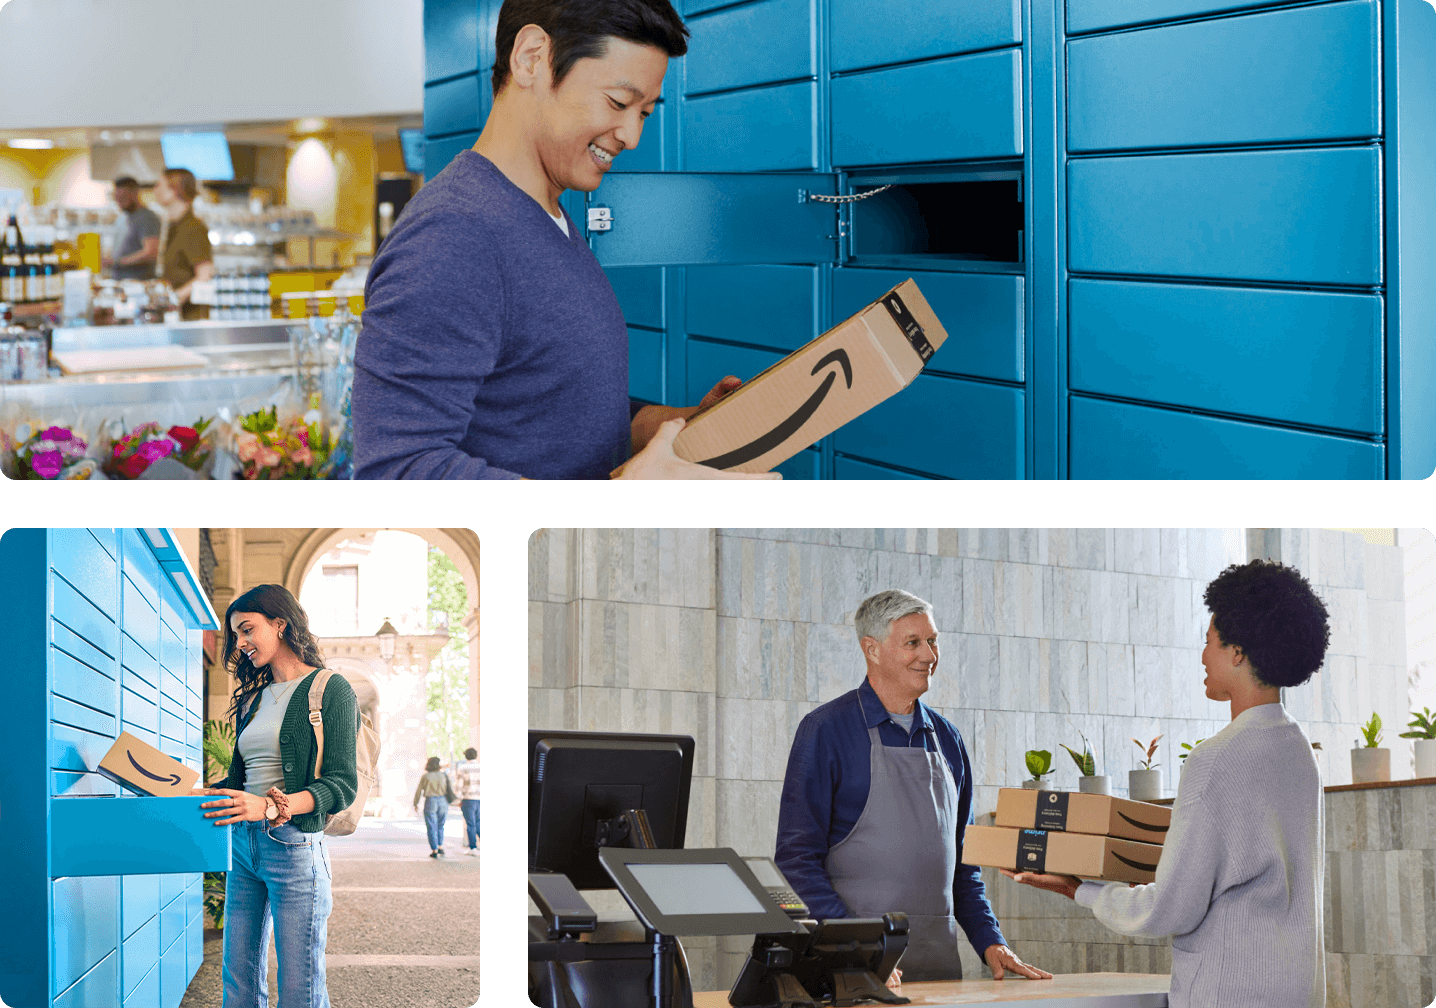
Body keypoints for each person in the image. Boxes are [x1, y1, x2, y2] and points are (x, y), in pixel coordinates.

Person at [352, 0, 781, 480]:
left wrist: (676, 428)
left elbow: (552, 417)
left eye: (645, 112)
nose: (632, 135)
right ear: (533, 57)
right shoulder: (454, 234)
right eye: (619, 103)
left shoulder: (547, 217)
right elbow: (395, 467)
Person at [1002, 559, 1330, 1008]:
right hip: (1298, 991)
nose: (1202, 655)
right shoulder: (1300, 752)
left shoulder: (1217, 758)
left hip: (1228, 992)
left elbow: (1171, 907)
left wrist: (1077, 888)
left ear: (1238, 651)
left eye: (1209, 641)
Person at [776, 589, 1052, 987]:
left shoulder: (948, 739)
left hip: (936, 968)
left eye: (932, 641)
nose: (929, 655)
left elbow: (963, 864)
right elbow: (796, 858)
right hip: (852, 973)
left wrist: (991, 941)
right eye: (913, 643)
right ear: (871, 649)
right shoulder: (825, 731)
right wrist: (857, 951)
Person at [192, 583, 359, 1008]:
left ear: (280, 624)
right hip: (243, 845)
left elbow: (342, 784)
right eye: (236, 636)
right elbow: (238, 778)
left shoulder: (329, 689)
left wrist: (270, 805)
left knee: (300, 979)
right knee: (238, 974)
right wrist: (204, 794)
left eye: (248, 630)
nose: (241, 644)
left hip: (294, 846)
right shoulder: (252, 699)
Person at [152, 166, 213, 320]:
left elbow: (205, 275)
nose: (155, 190)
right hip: (177, 316)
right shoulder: (174, 226)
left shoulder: (193, 228)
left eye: (159, 185)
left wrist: (175, 297)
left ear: (174, 190)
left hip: (190, 318)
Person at [104, 177, 161, 280]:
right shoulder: (122, 217)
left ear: (135, 194)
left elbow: (150, 253)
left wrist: (117, 262)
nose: (119, 203)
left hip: (137, 283)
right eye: (117, 199)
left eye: (123, 198)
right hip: (118, 280)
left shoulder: (147, 217)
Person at [413, 756, 455, 857]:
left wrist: (416, 803)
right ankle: (440, 846)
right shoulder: (443, 775)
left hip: (430, 801)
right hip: (443, 801)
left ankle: (434, 850)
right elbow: (450, 789)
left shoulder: (426, 776)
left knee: (432, 826)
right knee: (441, 825)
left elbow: (418, 791)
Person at [455, 746, 480, 855]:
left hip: (468, 799)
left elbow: (459, 786)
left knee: (470, 824)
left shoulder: (463, 768)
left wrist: (458, 799)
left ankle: (473, 848)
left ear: (466, 756)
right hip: (479, 799)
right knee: (478, 823)